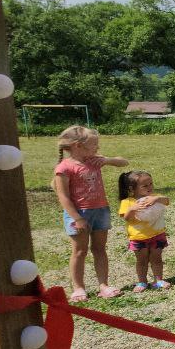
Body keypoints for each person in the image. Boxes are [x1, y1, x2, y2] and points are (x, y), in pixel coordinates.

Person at [53, 125, 129, 302]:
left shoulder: (95, 161)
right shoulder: (64, 168)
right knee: (79, 251)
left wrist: (107, 160)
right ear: (78, 146)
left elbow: (124, 162)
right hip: (79, 214)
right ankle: (79, 288)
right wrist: (77, 218)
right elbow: (63, 197)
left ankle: (103, 285)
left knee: (99, 249)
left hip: (100, 210)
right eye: (94, 145)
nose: (97, 148)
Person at [117, 170, 171, 292]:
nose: (149, 187)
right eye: (145, 185)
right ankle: (142, 281)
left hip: (157, 234)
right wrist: (132, 209)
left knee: (157, 258)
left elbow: (166, 200)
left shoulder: (154, 197)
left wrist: (156, 198)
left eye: (151, 184)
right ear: (132, 188)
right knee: (142, 261)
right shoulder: (127, 202)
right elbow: (126, 218)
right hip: (138, 237)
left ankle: (158, 280)